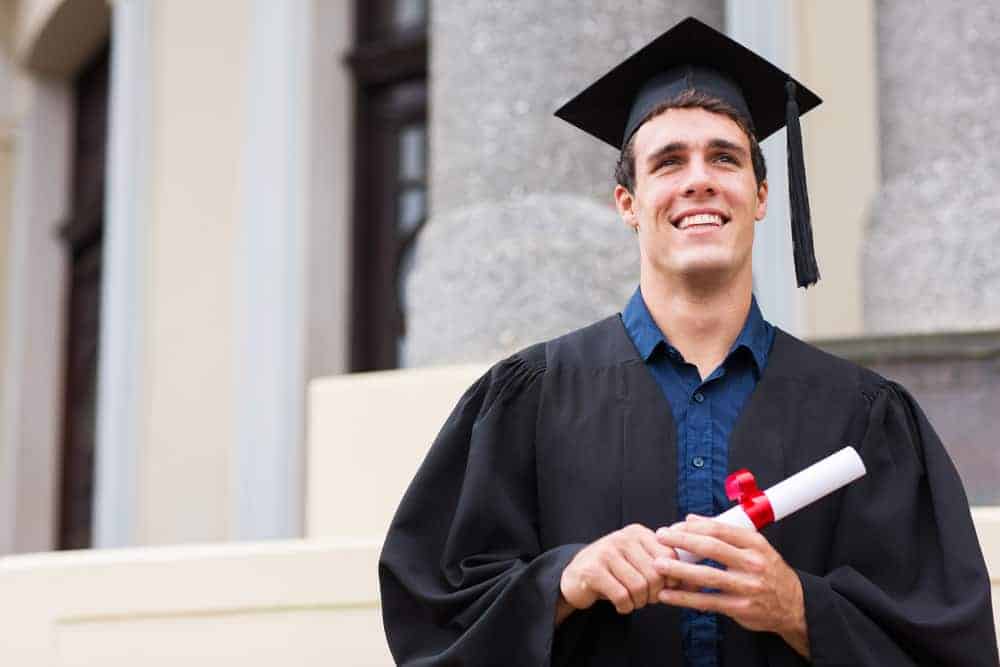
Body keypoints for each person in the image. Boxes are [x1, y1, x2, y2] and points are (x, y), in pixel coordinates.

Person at [378, 17, 998, 666]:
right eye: (669, 161)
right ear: (627, 201)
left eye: (724, 157)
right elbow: (431, 615)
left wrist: (799, 608)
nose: (698, 179)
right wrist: (562, 581)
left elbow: (948, 645)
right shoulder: (528, 403)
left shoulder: (864, 417)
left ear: (759, 195)